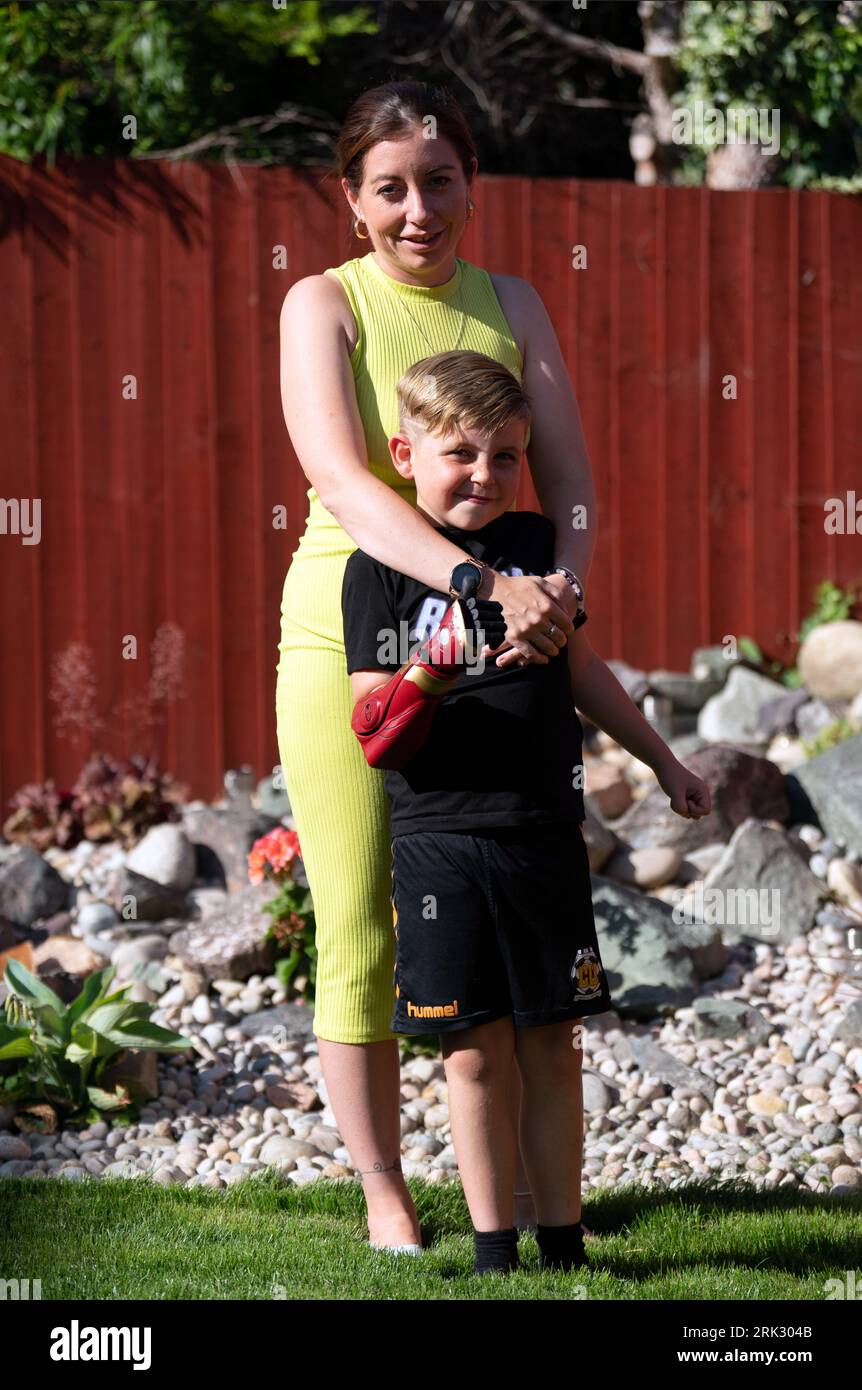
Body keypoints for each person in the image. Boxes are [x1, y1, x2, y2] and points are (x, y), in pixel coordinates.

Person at [275, 79, 598, 1253]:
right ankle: (383, 1192)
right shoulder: (323, 303)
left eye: (440, 180)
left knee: (512, 900)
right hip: (345, 633)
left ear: (471, 180)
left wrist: (558, 588)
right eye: (390, 188)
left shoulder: (510, 298)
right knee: (357, 921)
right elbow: (349, 485)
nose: (419, 209)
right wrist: (477, 584)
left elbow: (567, 480)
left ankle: (524, 1212)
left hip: (512, 637)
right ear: (351, 200)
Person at [341, 350, 713, 1275]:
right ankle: (494, 1253)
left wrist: (664, 761)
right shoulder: (378, 570)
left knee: (553, 1043)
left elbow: (583, 672)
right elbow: (373, 722)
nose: (484, 474)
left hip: (544, 828)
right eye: (460, 452)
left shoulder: (541, 553)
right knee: (470, 1054)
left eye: (506, 456)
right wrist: (437, 658)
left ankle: (565, 1243)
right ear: (405, 453)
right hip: (441, 842)